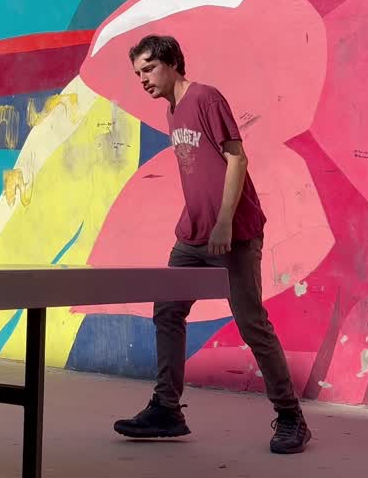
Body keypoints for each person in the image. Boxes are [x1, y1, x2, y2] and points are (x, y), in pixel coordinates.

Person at [111, 34, 311, 454]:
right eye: (137, 74)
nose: (142, 80)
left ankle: (291, 416)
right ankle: (167, 409)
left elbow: (237, 158)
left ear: (170, 63)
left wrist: (224, 223)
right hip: (193, 235)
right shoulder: (171, 112)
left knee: (251, 323)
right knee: (167, 309)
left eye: (148, 69)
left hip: (232, 233)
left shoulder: (205, 98)